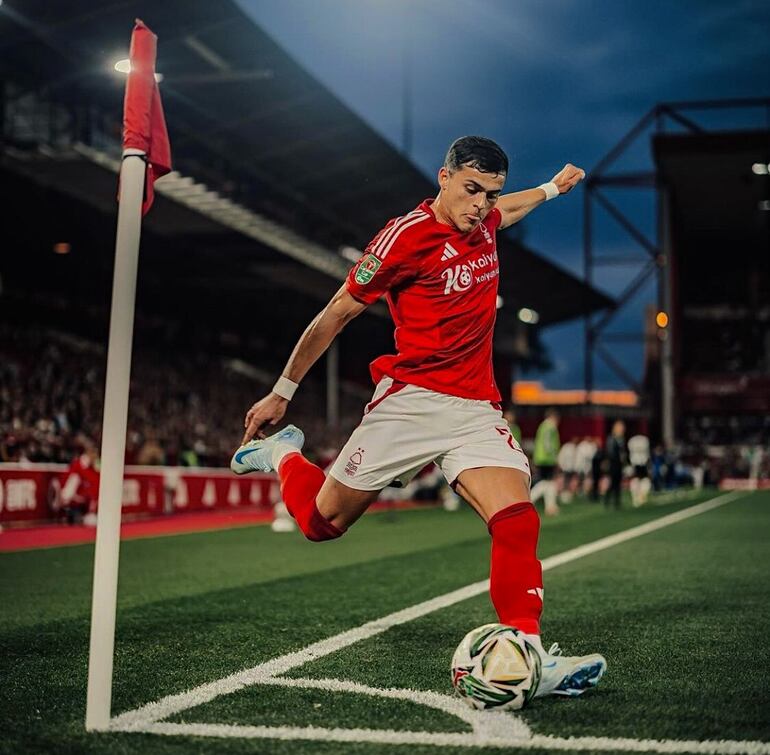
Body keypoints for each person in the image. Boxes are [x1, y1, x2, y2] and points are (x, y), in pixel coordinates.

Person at [231, 136, 606, 698]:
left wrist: (553, 188)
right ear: (444, 177)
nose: (480, 205)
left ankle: (526, 654)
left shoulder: (485, 219)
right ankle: (283, 451)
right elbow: (336, 313)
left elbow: (512, 206)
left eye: (490, 194)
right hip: (411, 402)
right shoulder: (404, 238)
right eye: (472, 189)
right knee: (320, 524)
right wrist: (282, 391)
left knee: (518, 519)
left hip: (476, 405)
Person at [530, 409, 561, 516]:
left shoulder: (542, 426)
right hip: (547, 459)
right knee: (546, 482)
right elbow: (548, 444)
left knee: (548, 482)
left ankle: (550, 506)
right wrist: (554, 456)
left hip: (541, 458)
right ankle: (529, 501)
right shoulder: (549, 427)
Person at [604, 420, 626, 509]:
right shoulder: (611, 438)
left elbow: (623, 451)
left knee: (618, 482)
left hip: (619, 464)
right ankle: (607, 500)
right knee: (613, 483)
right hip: (613, 463)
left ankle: (617, 501)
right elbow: (610, 452)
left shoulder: (621, 438)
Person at [627, 432, 651, 506]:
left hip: (635, 462)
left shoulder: (632, 441)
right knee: (642, 479)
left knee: (638, 479)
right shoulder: (644, 440)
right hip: (640, 462)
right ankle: (639, 495)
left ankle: (638, 495)